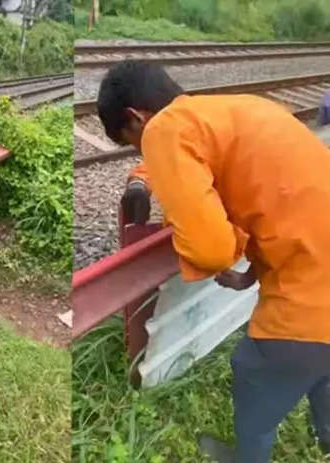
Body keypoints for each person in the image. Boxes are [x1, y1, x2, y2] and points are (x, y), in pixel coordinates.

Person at [97, 60, 330, 463]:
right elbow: (281, 206)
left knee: (255, 376)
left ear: (136, 117)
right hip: (316, 266)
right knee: (323, 369)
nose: (142, 149)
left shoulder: (165, 129)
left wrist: (218, 260)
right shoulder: (233, 111)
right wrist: (142, 179)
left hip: (311, 297)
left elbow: (210, 249)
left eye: (133, 141)